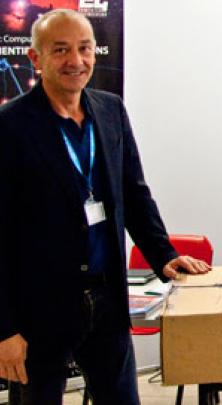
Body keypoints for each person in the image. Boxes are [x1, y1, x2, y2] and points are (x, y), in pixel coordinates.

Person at [0, 9, 210, 404]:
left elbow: (134, 193)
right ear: (35, 58)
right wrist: (4, 329)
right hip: (39, 307)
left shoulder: (110, 110)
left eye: (84, 48)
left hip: (107, 299)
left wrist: (163, 254)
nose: (75, 61)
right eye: (60, 50)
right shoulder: (10, 126)